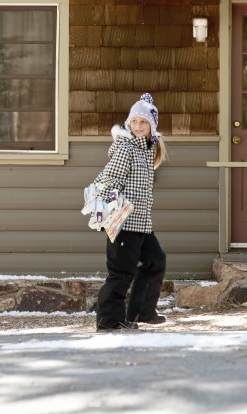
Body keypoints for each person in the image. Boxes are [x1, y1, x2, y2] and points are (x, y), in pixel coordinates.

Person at [93, 93, 168, 331]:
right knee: (121, 273)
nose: (137, 126)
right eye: (134, 121)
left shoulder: (146, 149)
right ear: (128, 123)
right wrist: (105, 212)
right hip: (123, 222)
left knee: (156, 261)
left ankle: (141, 311)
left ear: (151, 126)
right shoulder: (126, 149)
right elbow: (109, 179)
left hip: (142, 223)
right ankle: (109, 321)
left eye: (143, 122)